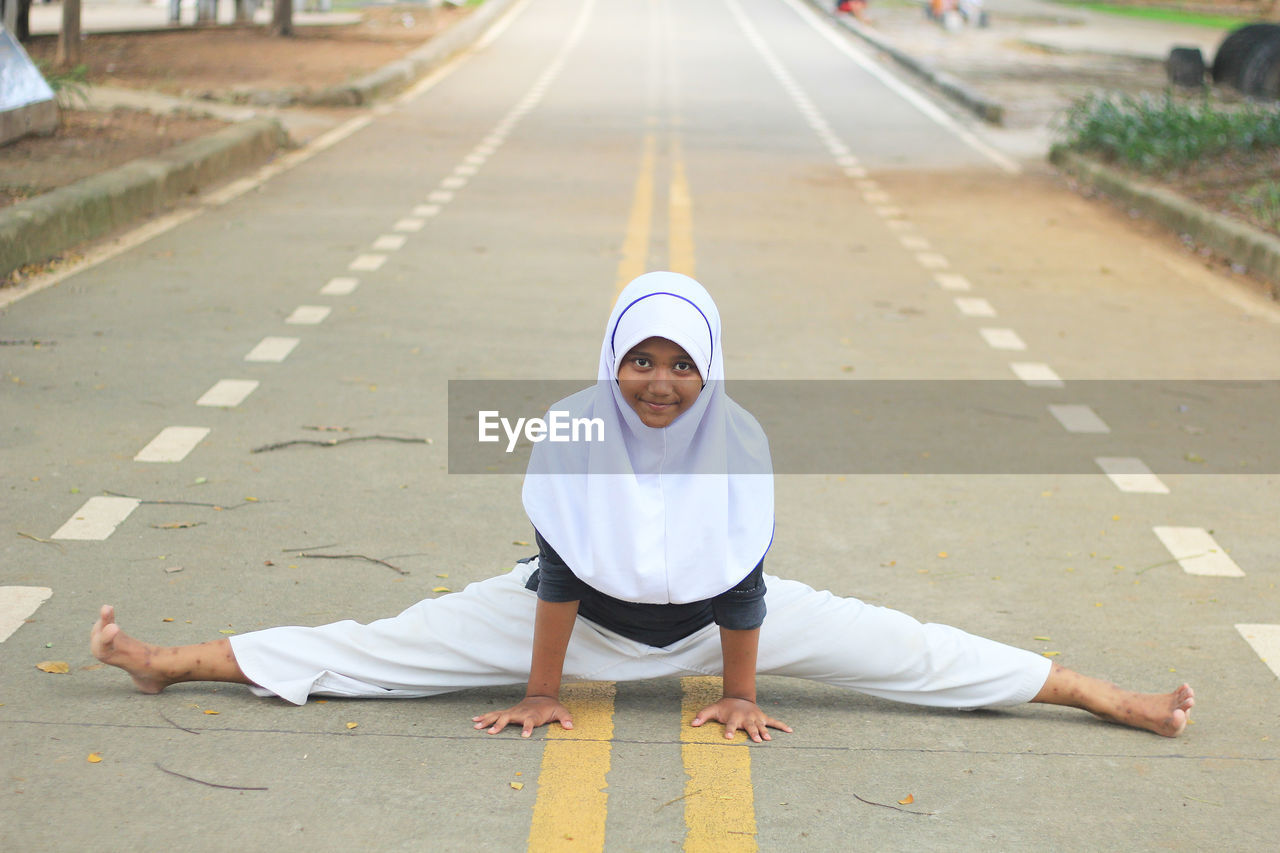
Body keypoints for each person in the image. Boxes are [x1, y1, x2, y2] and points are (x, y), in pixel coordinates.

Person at [91, 272, 1194, 740]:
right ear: (610, 358)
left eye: (679, 362)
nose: (658, 382)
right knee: (373, 648)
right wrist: (536, 690)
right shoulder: (573, 424)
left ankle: (1100, 693)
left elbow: (747, 582)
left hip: (720, 627)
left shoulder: (739, 436)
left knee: (906, 649)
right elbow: (562, 569)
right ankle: (167, 660)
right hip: (570, 625)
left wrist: (739, 694)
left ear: (708, 365)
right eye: (639, 359)